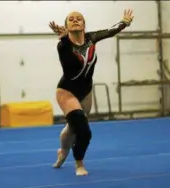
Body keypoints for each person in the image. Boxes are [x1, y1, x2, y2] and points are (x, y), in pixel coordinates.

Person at [49, 9, 134, 176]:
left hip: (86, 91)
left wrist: (124, 22)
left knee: (73, 127)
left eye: (78, 19)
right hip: (67, 92)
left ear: (83, 24)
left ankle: (62, 151)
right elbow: (69, 63)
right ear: (66, 26)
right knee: (84, 130)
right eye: (71, 19)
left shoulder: (91, 38)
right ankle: (78, 164)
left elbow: (110, 31)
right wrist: (65, 39)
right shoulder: (63, 46)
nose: (75, 20)